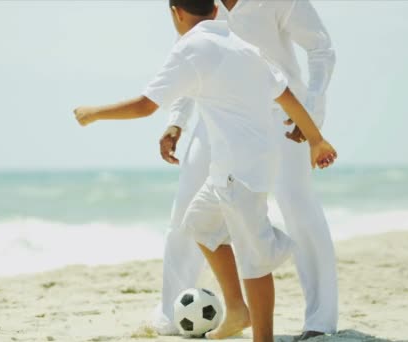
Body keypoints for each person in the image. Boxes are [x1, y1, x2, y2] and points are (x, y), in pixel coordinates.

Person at [73, 1, 337, 340]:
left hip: (268, 136)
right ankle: (201, 311)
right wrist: (176, 123)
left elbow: (318, 51)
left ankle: (301, 326)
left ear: (177, 13)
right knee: (193, 218)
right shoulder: (222, 33)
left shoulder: (258, 15)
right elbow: (192, 75)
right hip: (223, 126)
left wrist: (313, 124)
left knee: (272, 233)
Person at [156, 0, 338, 339]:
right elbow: (189, 60)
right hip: (217, 119)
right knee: (186, 209)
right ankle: (171, 316)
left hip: (283, 117)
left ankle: (320, 321)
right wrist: (176, 121)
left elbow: (321, 48)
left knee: (298, 206)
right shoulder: (199, 4)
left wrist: (312, 114)